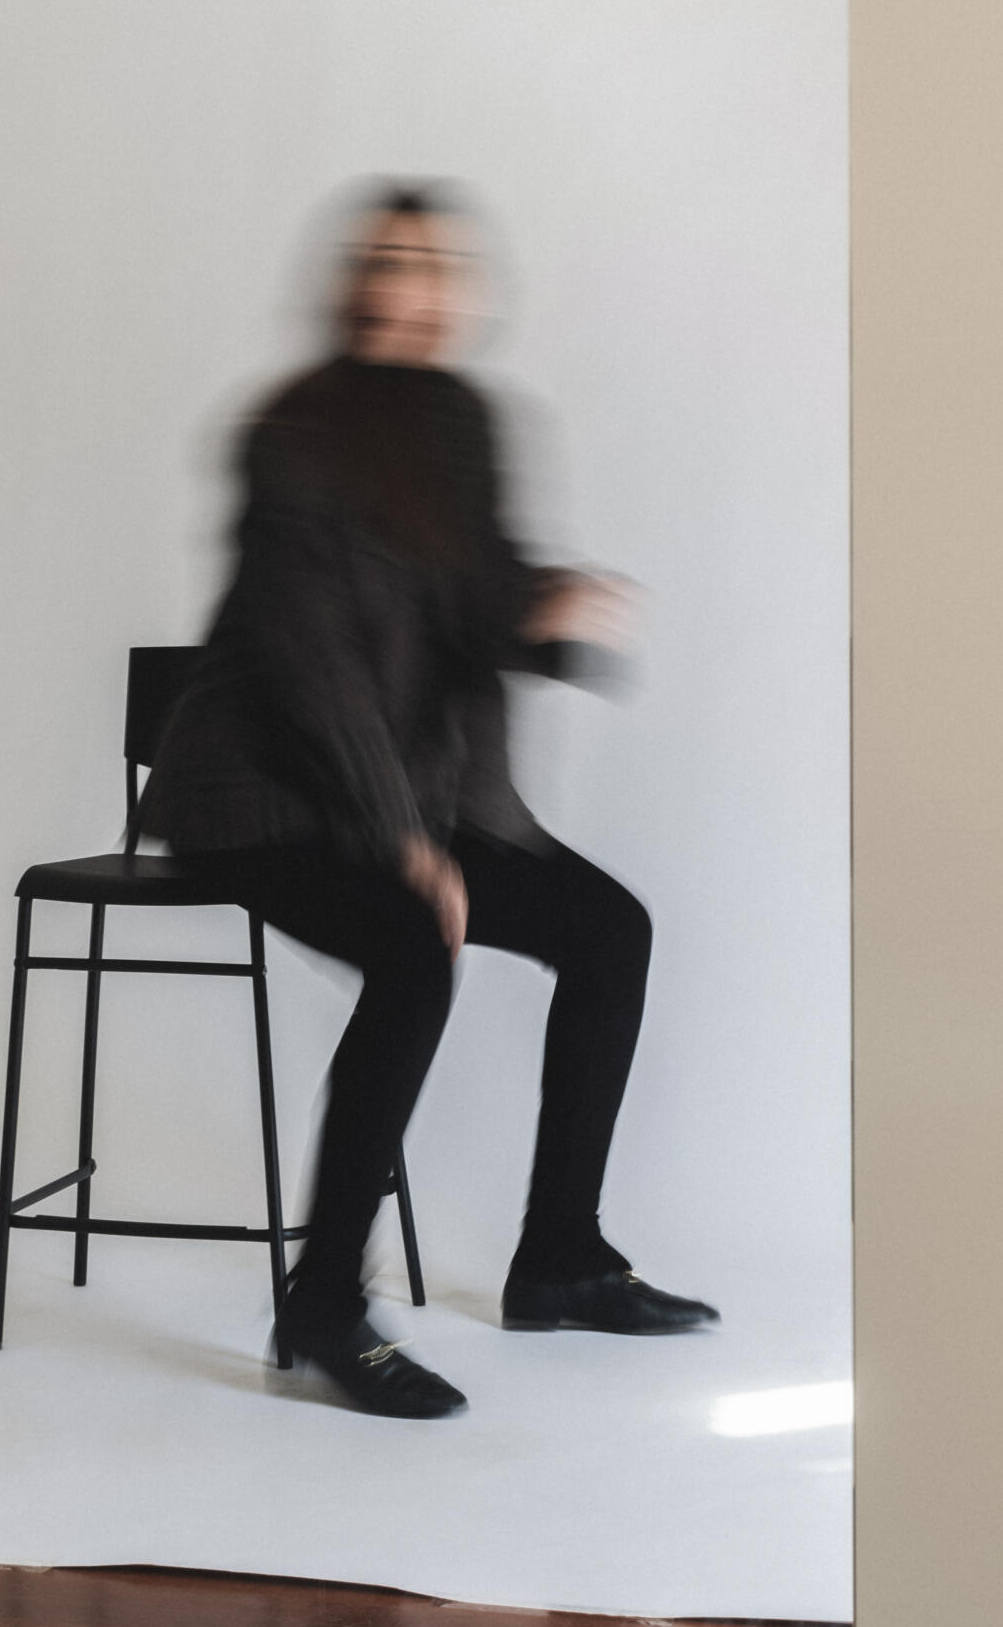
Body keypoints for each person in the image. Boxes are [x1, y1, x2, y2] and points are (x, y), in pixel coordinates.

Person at [139, 183, 717, 1418]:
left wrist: (549, 610)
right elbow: (309, 665)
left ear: (461, 293)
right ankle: (321, 1305)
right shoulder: (291, 430)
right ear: (351, 283)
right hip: (258, 794)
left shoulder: (460, 420)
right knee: (414, 947)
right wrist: (404, 842)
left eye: (434, 265)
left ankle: (560, 1257)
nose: (409, 284)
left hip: (396, 788)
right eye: (386, 260)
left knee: (607, 929)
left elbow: (478, 603)